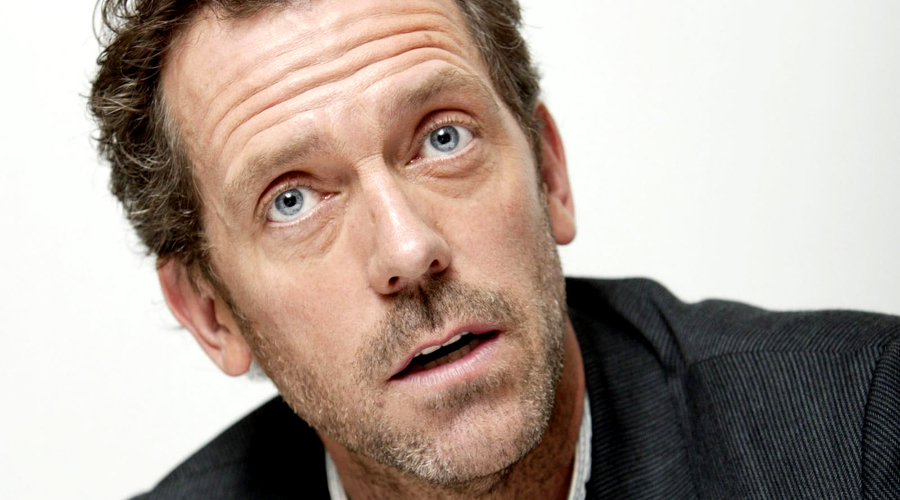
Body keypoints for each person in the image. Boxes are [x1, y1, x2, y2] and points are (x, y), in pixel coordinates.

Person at [89, 0, 900, 498]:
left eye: (443, 138)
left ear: (549, 171)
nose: (409, 249)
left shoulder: (862, 436)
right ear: (212, 313)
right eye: (291, 200)